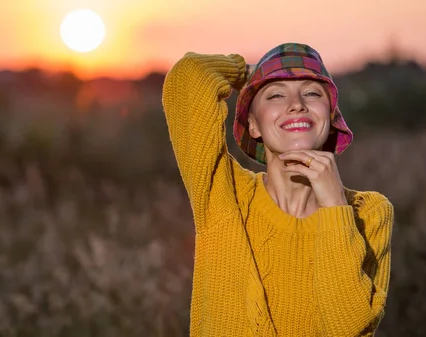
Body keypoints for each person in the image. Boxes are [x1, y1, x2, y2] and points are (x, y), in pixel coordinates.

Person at [161, 43, 394, 336]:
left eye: (312, 93)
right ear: (254, 125)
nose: (296, 104)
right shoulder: (225, 193)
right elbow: (189, 75)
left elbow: (347, 328)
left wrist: (335, 207)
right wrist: (246, 74)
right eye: (276, 95)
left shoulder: (369, 214)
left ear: (331, 119)